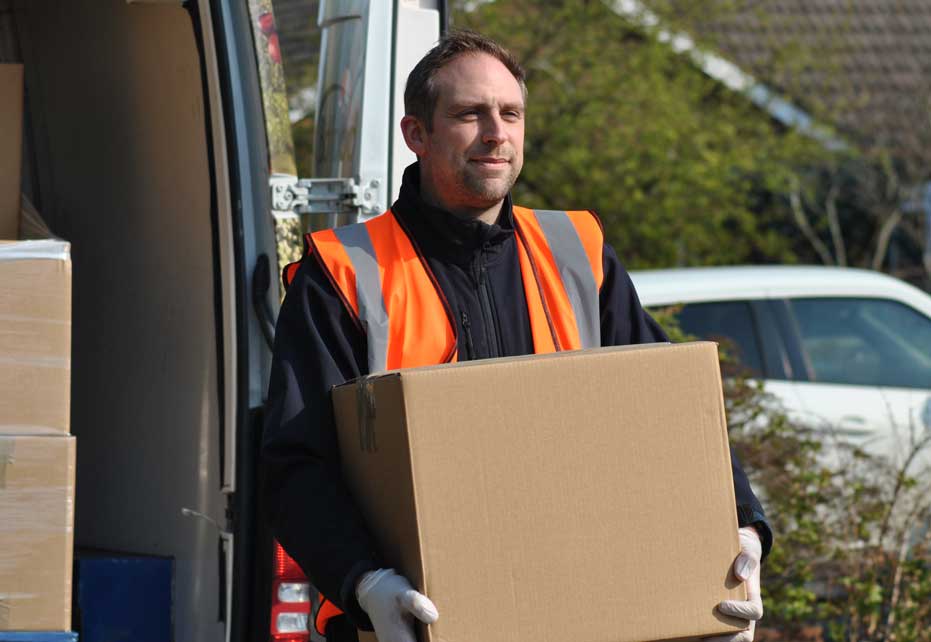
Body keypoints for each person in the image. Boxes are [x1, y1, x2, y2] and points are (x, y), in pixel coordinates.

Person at [263, 29, 771, 642]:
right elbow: (295, 466)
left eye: (510, 113)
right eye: (469, 114)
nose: (496, 133)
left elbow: (671, 416)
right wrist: (365, 581)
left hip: (582, 615)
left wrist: (738, 529)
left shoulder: (579, 251)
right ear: (416, 134)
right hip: (413, 623)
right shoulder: (343, 271)